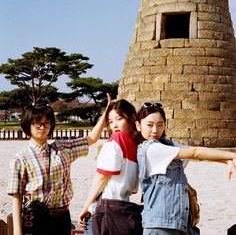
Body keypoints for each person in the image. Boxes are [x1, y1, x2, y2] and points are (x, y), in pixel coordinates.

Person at [7, 95, 112, 235]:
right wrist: (17, 232)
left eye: (46, 123)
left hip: (62, 217)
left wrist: (106, 112)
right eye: (37, 123)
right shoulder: (20, 158)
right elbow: (17, 197)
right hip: (36, 220)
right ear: (28, 125)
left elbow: (91, 139)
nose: (42, 127)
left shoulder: (62, 149)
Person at [135, 102, 236, 235]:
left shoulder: (168, 145)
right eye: (149, 125)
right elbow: (195, 152)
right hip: (160, 226)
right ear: (138, 125)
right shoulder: (151, 149)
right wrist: (233, 155)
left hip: (181, 224)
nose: (155, 130)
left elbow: (200, 155)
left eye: (160, 125)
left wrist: (228, 161)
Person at [78, 99, 143, 235]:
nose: (114, 125)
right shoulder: (137, 144)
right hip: (123, 207)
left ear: (132, 118)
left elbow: (102, 177)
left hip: (105, 208)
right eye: (111, 121)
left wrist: (86, 205)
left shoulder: (117, 139)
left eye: (119, 119)